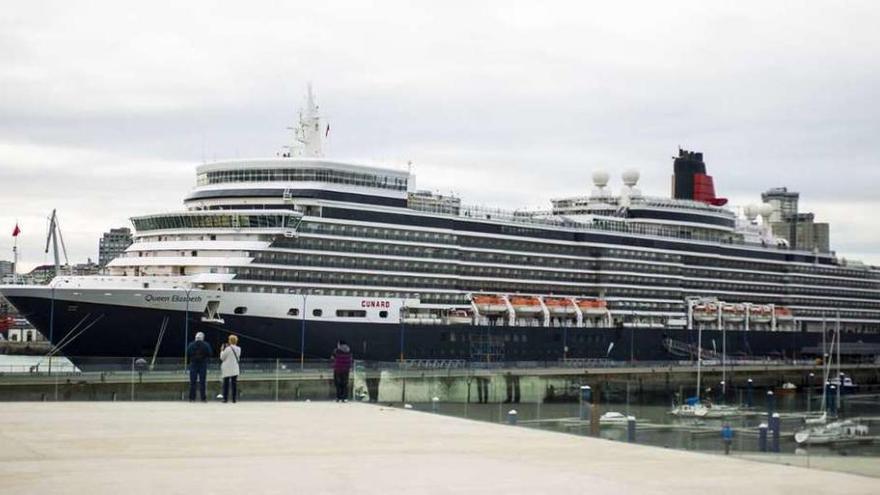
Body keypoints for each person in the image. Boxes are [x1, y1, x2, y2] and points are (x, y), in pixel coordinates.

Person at [186, 332, 212, 402]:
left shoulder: (191, 345)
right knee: (202, 382)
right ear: (202, 338)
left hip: (193, 365)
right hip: (202, 365)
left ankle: (192, 398)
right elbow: (209, 353)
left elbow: (188, 353)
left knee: (192, 382)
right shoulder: (206, 345)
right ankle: (203, 398)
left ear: (196, 338)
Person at [220, 334, 241, 403]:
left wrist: (222, 350)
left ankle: (225, 399)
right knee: (234, 384)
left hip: (227, 368)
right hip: (235, 368)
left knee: (226, 384)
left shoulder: (227, 349)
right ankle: (234, 399)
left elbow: (222, 358)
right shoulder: (239, 349)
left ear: (230, 341)